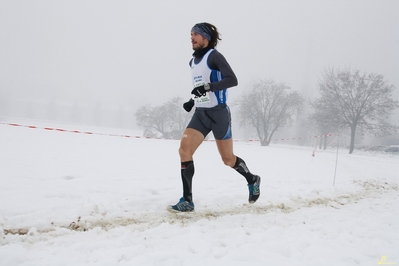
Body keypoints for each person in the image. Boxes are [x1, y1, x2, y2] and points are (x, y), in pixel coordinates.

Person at [167, 22, 261, 213]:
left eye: (195, 34)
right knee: (184, 150)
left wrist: (208, 88)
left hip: (219, 114)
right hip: (200, 114)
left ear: (205, 38)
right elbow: (200, 85)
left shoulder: (215, 56)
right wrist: (192, 100)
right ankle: (187, 200)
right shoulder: (192, 62)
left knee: (228, 159)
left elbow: (232, 80)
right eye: (190, 34)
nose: (191, 38)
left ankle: (252, 179)